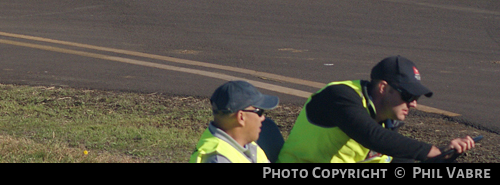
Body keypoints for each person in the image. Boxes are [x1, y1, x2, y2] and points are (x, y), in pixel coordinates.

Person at [278, 56, 478, 163]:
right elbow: (371, 136)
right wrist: (429, 151)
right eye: (408, 96)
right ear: (383, 88)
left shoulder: (388, 118)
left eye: (415, 98)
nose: (414, 104)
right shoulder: (339, 96)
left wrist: (444, 155)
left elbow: (394, 157)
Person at [190, 80, 279, 163]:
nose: (262, 118)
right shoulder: (217, 159)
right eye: (259, 112)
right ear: (241, 117)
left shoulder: (247, 144)